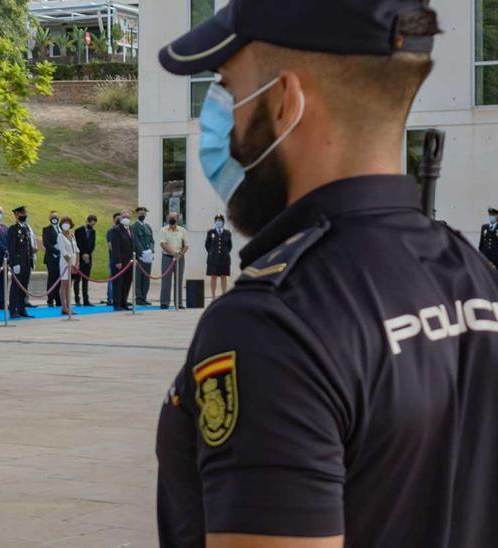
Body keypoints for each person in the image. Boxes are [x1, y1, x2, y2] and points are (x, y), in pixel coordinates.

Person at [155, 3, 498, 546]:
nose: (217, 115)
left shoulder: (274, 323)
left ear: (286, 101)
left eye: (225, 87)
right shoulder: (473, 276)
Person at [7, 206, 34, 318]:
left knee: (24, 287)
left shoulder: (26, 228)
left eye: (25, 213)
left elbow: (29, 247)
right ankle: (13, 310)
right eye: (22, 213)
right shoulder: (13, 229)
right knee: (16, 287)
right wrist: (15, 263)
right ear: (16, 214)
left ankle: (22, 309)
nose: (24, 215)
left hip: (26, 263)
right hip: (18, 263)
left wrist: (31, 260)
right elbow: (12, 248)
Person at [158, 211, 188, 310]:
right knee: (166, 280)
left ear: (177, 218)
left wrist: (180, 254)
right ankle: (164, 302)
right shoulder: (163, 230)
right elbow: (163, 244)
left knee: (178, 280)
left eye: (173, 217)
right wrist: (173, 253)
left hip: (180, 258)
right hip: (167, 257)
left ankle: (178, 303)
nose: (171, 219)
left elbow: (186, 245)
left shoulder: (182, 230)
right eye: (170, 217)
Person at [108, 210, 134, 311]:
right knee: (118, 283)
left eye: (128, 217)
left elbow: (134, 243)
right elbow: (116, 247)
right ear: (121, 219)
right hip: (120, 262)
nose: (126, 219)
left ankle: (124, 302)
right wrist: (118, 261)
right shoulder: (116, 230)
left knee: (127, 283)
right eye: (124, 217)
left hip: (130, 262)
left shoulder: (131, 229)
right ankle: (117, 304)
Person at [205, 213, 233, 300]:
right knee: (213, 276)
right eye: (217, 221)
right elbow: (207, 245)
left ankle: (224, 295)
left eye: (220, 221)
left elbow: (229, 246)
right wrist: (212, 253)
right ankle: (213, 296)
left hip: (224, 259)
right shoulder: (211, 232)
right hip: (213, 259)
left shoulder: (227, 233)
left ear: (223, 222)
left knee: (223, 276)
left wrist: (224, 253)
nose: (218, 222)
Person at [132, 206, 154, 306]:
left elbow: (152, 241)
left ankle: (144, 297)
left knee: (146, 278)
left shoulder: (148, 227)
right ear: (137, 214)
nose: (142, 215)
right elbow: (135, 241)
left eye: (144, 214)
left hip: (148, 256)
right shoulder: (134, 226)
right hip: (140, 257)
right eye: (140, 214)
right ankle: (139, 298)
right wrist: (142, 252)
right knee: (138, 278)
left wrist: (151, 250)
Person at [56, 216, 79, 315]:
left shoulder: (72, 235)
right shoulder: (60, 236)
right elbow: (64, 252)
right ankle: (64, 307)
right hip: (65, 263)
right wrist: (70, 264)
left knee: (70, 285)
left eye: (68, 222)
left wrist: (77, 264)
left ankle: (69, 306)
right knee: (64, 284)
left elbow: (77, 250)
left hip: (73, 263)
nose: (66, 224)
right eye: (64, 222)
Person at [73, 215, 97, 306]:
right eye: (91, 223)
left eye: (94, 224)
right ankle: (77, 300)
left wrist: (88, 254)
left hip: (88, 259)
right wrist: (82, 254)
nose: (92, 225)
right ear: (87, 221)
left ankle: (86, 300)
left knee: (86, 280)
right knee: (77, 280)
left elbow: (93, 244)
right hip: (79, 258)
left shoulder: (93, 232)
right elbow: (77, 243)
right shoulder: (78, 230)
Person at [42, 210, 63, 308]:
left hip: (61, 259)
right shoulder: (46, 229)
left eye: (56, 217)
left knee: (59, 279)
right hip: (51, 258)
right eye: (52, 217)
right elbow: (46, 243)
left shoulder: (61, 229)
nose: (54, 219)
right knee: (52, 278)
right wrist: (56, 251)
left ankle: (58, 299)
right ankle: (50, 299)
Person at [105, 212, 122, 306]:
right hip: (113, 259)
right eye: (117, 219)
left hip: (123, 260)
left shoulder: (123, 231)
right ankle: (110, 298)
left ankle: (119, 298)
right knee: (112, 279)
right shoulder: (110, 231)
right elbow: (110, 246)